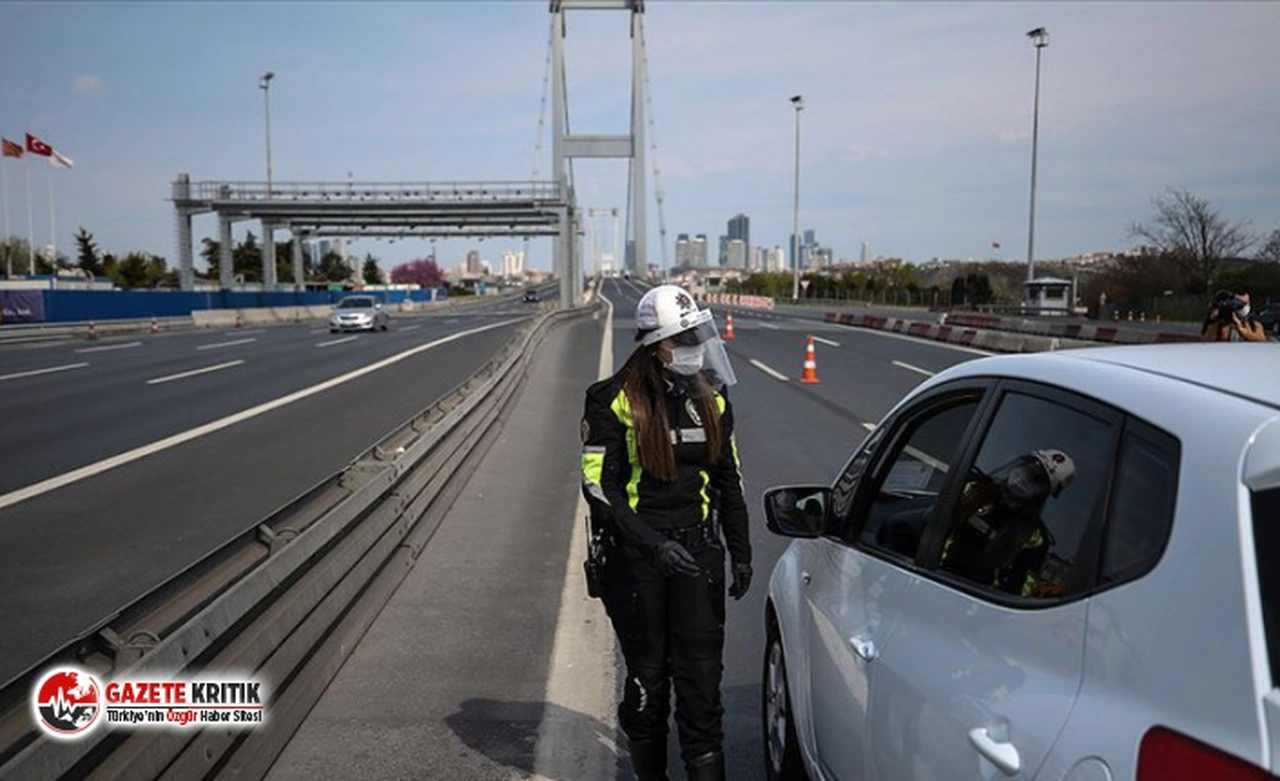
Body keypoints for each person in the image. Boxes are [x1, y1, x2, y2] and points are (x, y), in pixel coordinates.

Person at [580, 284, 751, 781]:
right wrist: (653, 546)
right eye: (686, 337)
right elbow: (598, 487)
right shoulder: (611, 400)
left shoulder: (713, 399)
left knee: (701, 691)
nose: (697, 345)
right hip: (637, 561)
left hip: (697, 552)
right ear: (657, 344)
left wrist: (740, 552)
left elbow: (728, 480)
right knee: (648, 686)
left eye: (699, 333)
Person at [938, 448, 1076, 598]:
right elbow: (931, 527)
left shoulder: (1033, 538)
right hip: (935, 576)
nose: (1023, 477)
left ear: (1042, 494)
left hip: (975, 602)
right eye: (1027, 467)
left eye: (1036, 479)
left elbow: (1017, 594)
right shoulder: (973, 491)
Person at [1201, 290, 1267, 342]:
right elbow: (1206, 341)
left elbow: (1261, 339)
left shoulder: (1252, 321)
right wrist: (1215, 322)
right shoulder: (1214, 322)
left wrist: (1242, 330)